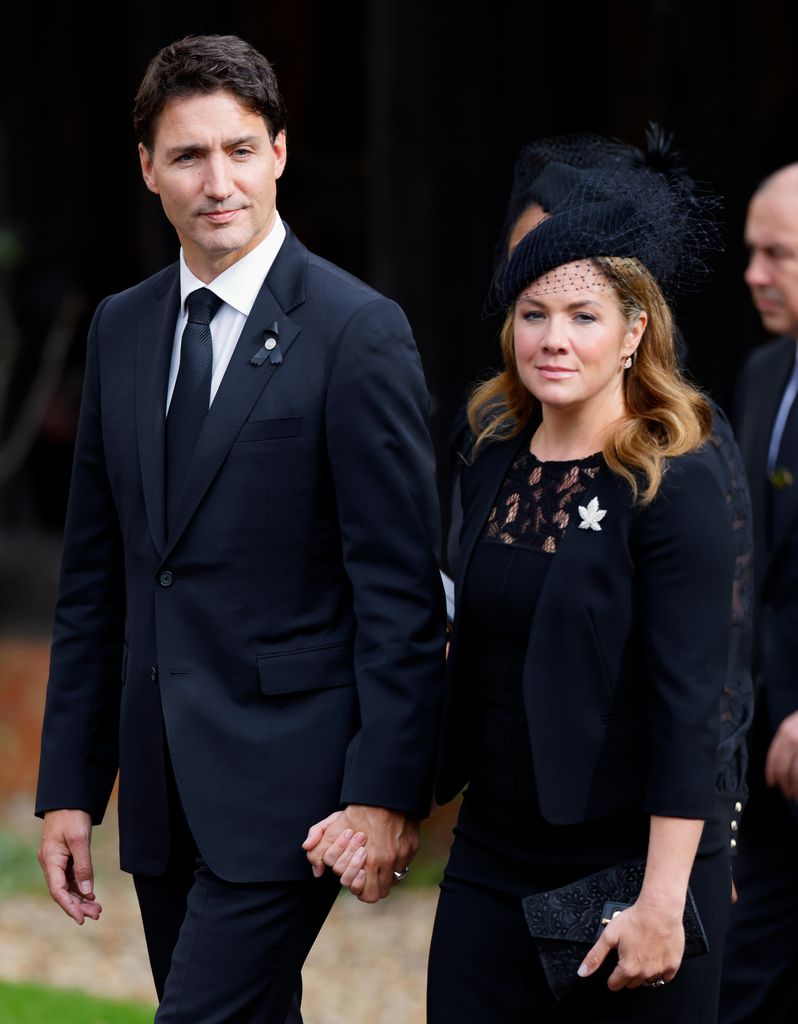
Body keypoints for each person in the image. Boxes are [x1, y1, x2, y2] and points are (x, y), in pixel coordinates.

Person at [34, 33, 444, 1023]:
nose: (218, 181)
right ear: (148, 170)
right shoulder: (122, 329)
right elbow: (99, 580)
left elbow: (401, 591)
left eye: (240, 149)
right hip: (164, 793)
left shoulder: (358, 330)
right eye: (188, 155)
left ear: (280, 153)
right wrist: (68, 789)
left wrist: (387, 793)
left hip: (293, 791)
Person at [426, 168, 738, 1023]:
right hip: (491, 852)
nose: (553, 339)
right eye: (534, 314)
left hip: (628, 868)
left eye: (583, 316)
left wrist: (664, 902)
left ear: (636, 330)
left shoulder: (673, 483)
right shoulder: (493, 454)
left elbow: (690, 711)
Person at [720, 164, 798, 1023]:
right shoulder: (765, 373)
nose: (753, 273)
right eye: (751, 250)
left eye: (776, 253)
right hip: (763, 750)